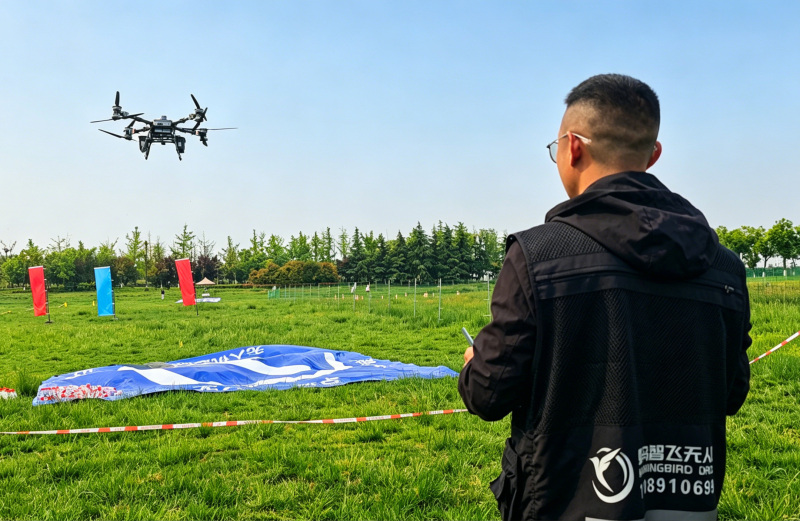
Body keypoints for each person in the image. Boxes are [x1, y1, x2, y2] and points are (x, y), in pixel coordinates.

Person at [458, 74, 751, 521]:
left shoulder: (536, 256)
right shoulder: (724, 268)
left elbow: (488, 394)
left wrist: (474, 365)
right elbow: (731, 393)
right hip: (689, 505)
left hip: (562, 501)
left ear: (573, 147)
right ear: (652, 155)